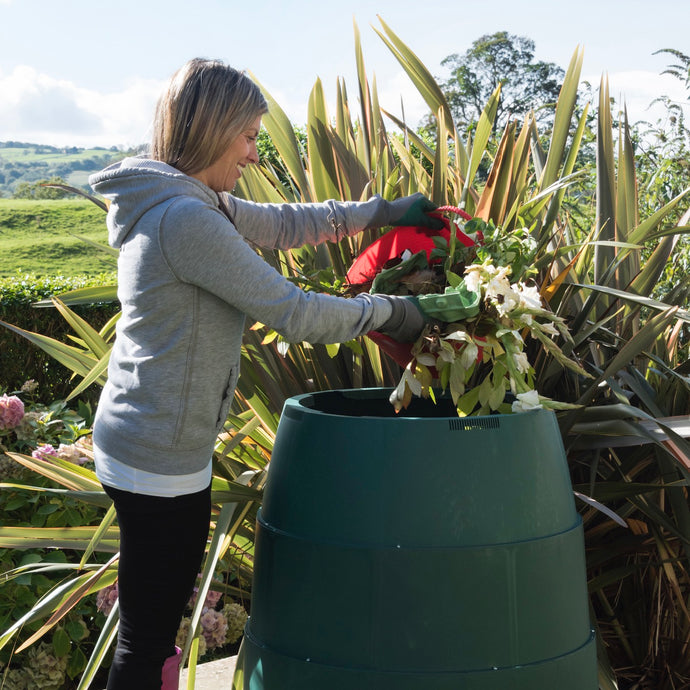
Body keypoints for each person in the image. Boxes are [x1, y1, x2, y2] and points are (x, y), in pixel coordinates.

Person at [88, 57, 441, 690]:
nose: (254, 151)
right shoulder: (185, 220)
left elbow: (283, 225)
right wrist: (401, 311)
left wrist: (381, 212)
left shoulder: (193, 199)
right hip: (156, 454)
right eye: (249, 135)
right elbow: (295, 312)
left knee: (152, 625)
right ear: (213, 129)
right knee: (147, 638)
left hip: (154, 438)